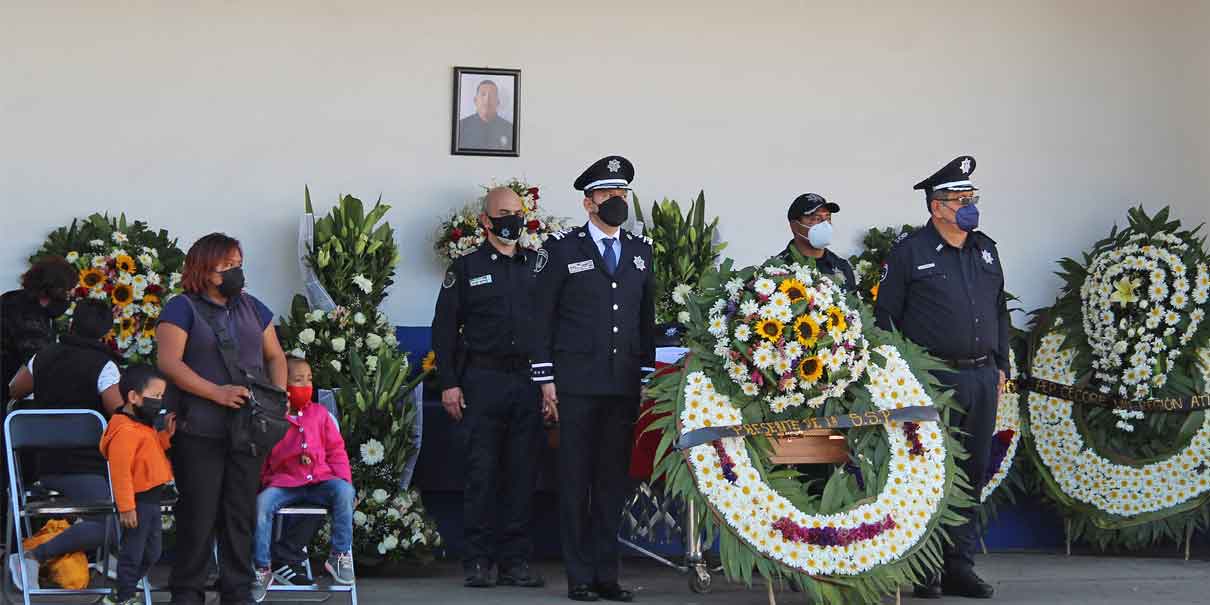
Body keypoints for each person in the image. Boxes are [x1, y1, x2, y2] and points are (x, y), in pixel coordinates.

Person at [874, 156, 1007, 599]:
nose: (970, 205)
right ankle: (924, 567)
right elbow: (886, 319)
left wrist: (1001, 363)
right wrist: (897, 380)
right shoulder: (910, 252)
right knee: (929, 473)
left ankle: (958, 566)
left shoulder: (985, 248)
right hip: (932, 381)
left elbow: (998, 310)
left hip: (981, 378)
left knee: (971, 471)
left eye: (972, 197)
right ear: (937, 207)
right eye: (960, 199)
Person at [532, 155, 655, 603]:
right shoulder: (562, 250)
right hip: (576, 385)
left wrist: (645, 375)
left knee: (611, 483)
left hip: (621, 387)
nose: (616, 201)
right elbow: (540, 317)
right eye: (607, 195)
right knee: (575, 481)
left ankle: (607, 574)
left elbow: (646, 320)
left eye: (621, 193)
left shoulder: (641, 253)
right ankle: (579, 577)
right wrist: (545, 379)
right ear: (588, 203)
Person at [156, 233, 288, 605]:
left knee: (240, 514)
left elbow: (275, 356)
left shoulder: (253, 308)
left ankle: (237, 590)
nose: (235, 271)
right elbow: (168, 362)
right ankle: (187, 591)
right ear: (204, 268)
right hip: (200, 428)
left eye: (238, 264)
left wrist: (276, 398)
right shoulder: (181, 308)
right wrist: (216, 392)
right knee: (198, 515)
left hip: (248, 430)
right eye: (226, 265)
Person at [431, 186, 545, 589]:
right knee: (482, 474)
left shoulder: (538, 265)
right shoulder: (464, 269)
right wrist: (449, 384)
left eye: (517, 211)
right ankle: (478, 560)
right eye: (503, 213)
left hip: (528, 382)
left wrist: (552, 384)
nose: (511, 219)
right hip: (482, 381)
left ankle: (516, 561)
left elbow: (554, 325)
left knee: (522, 473)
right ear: (485, 220)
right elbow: (444, 330)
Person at [6, 298, 123, 592]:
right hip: (86, 468)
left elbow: (15, 389)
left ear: (72, 323)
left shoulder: (44, 355)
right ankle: (32, 557)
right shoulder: (104, 366)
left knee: (117, 517)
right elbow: (120, 414)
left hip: (44, 466)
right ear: (106, 333)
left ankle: (109, 558)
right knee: (124, 516)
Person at [251, 357, 354, 602]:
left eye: (309, 380)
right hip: (284, 483)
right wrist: (266, 481)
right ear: (282, 384)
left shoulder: (320, 414)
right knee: (262, 504)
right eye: (298, 380)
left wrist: (345, 481)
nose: (305, 385)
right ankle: (261, 568)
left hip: (319, 481)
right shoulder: (272, 418)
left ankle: (339, 556)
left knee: (344, 493)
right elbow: (263, 457)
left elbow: (336, 452)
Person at [99, 364, 175, 605]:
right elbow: (120, 473)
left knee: (152, 552)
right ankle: (125, 595)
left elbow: (149, 453)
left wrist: (165, 438)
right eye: (155, 396)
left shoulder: (142, 425)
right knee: (133, 552)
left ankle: (123, 589)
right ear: (133, 397)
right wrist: (126, 507)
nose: (159, 402)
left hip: (151, 501)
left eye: (162, 396)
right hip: (137, 501)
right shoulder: (125, 430)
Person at [2, 256, 76, 401]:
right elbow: (39, 363)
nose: (68, 296)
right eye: (66, 291)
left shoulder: (12, 298)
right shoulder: (28, 316)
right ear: (54, 290)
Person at [776, 193, 857, 292]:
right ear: (795, 226)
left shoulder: (842, 266)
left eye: (828, 218)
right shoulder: (777, 269)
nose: (824, 224)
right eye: (815, 219)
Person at [457, 79, 514, 150]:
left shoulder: (510, 129)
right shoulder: (460, 127)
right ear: (475, 100)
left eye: (492, 95)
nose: (487, 99)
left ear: (498, 102)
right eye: (483, 94)